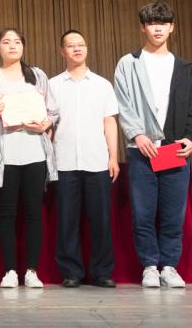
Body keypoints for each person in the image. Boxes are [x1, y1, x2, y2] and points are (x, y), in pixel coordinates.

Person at [114, 1, 192, 289]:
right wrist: (137, 135)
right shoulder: (129, 63)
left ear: (171, 27)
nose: (158, 28)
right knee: (143, 212)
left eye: (163, 23)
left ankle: (170, 266)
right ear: (143, 27)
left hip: (173, 149)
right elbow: (122, 103)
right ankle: (150, 266)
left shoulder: (182, 66)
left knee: (173, 213)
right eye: (152, 23)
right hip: (142, 149)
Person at [0, 28, 55, 289]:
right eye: (6, 42)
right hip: (6, 156)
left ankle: (32, 271)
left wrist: (45, 124)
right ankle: (10, 271)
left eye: (16, 42)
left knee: (34, 212)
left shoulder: (37, 75)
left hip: (35, 153)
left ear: (23, 46)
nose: (12, 46)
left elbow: (52, 112)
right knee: (7, 213)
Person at [46, 30, 119, 289]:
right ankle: (71, 271)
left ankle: (102, 272)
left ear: (87, 49)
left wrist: (113, 156)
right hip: (64, 161)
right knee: (67, 220)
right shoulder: (53, 85)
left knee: (101, 220)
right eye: (71, 45)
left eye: (81, 44)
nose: (77, 49)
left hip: (96, 160)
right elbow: (49, 125)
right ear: (62, 51)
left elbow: (109, 122)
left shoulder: (102, 84)